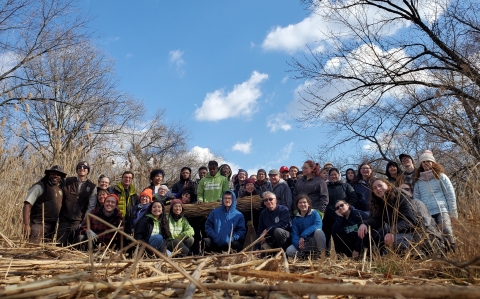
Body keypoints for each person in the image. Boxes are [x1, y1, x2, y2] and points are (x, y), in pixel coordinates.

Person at [357, 179, 419, 254]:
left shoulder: (400, 197)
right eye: (375, 188)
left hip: (411, 233)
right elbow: (378, 219)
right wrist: (365, 224)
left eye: (380, 185)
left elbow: (410, 220)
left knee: (393, 245)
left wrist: (392, 231)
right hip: (394, 232)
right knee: (370, 234)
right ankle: (368, 257)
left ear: (387, 185)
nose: (378, 189)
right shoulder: (380, 203)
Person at [413, 150, 457, 252]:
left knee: (446, 230)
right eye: (423, 162)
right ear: (421, 164)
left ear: (433, 163)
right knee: (433, 235)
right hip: (427, 213)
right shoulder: (418, 181)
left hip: (442, 209)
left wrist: (453, 214)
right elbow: (417, 199)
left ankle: (452, 252)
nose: (426, 163)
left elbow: (450, 195)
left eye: (428, 161)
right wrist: (420, 214)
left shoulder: (441, 176)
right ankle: (440, 255)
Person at [23, 165, 66, 244]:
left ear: (61, 177)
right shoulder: (39, 187)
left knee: (46, 253)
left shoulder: (60, 190)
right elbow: (27, 204)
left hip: (52, 227)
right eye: (53, 174)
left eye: (58, 175)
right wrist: (26, 224)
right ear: (48, 175)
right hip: (38, 224)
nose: (55, 176)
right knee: (33, 250)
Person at [58, 161, 97, 246]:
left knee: (73, 247)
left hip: (78, 221)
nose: (82, 168)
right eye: (79, 167)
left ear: (88, 171)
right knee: (60, 245)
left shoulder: (92, 187)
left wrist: (84, 222)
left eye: (85, 167)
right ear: (77, 169)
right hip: (64, 220)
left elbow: (91, 207)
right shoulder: (67, 181)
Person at [323, 168, 358, 255]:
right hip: (328, 216)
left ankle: (341, 256)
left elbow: (353, 197)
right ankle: (326, 256)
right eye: (331, 175)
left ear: (339, 175)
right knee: (327, 237)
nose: (333, 176)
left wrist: (347, 207)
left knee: (340, 236)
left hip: (343, 216)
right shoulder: (325, 186)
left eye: (335, 174)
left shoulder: (346, 185)